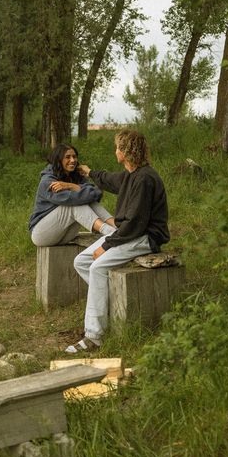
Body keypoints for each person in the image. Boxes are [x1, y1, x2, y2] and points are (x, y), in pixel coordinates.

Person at [65, 129, 170, 353]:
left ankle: (94, 336)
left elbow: (135, 224)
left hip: (145, 237)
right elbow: (111, 180)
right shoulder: (131, 174)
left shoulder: (145, 179)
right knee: (82, 261)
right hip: (129, 232)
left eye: (117, 148)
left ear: (124, 152)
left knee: (97, 266)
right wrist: (91, 172)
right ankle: (107, 309)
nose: (115, 151)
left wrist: (106, 245)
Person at [29, 143, 115, 247]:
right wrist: (79, 189)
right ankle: (109, 232)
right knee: (73, 205)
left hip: (65, 234)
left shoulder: (75, 176)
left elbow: (97, 192)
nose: (73, 160)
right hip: (42, 234)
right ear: (58, 160)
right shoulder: (48, 181)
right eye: (67, 157)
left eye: (74, 156)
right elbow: (74, 198)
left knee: (88, 201)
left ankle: (119, 228)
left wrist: (71, 186)